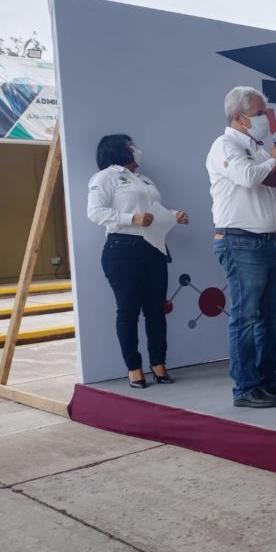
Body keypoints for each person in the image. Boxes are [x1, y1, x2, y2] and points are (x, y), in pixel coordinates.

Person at [208, 86, 276, 409]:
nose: (266, 119)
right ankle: (246, 388)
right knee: (246, 317)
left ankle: (267, 379)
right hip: (240, 242)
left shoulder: (259, 150)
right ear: (239, 117)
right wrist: (273, 160)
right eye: (260, 113)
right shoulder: (224, 145)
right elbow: (248, 177)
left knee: (270, 317)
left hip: (268, 241)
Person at [88, 134, 189, 388]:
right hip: (122, 249)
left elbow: (154, 212)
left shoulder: (144, 179)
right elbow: (94, 212)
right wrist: (130, 218)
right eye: (130, 145)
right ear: (116, 150)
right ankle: (134, 368)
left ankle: (159, 364)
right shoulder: (105, 177)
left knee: (156, 310)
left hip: (153, 247)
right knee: (128, 311)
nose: (135, 148)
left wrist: (174, 215)